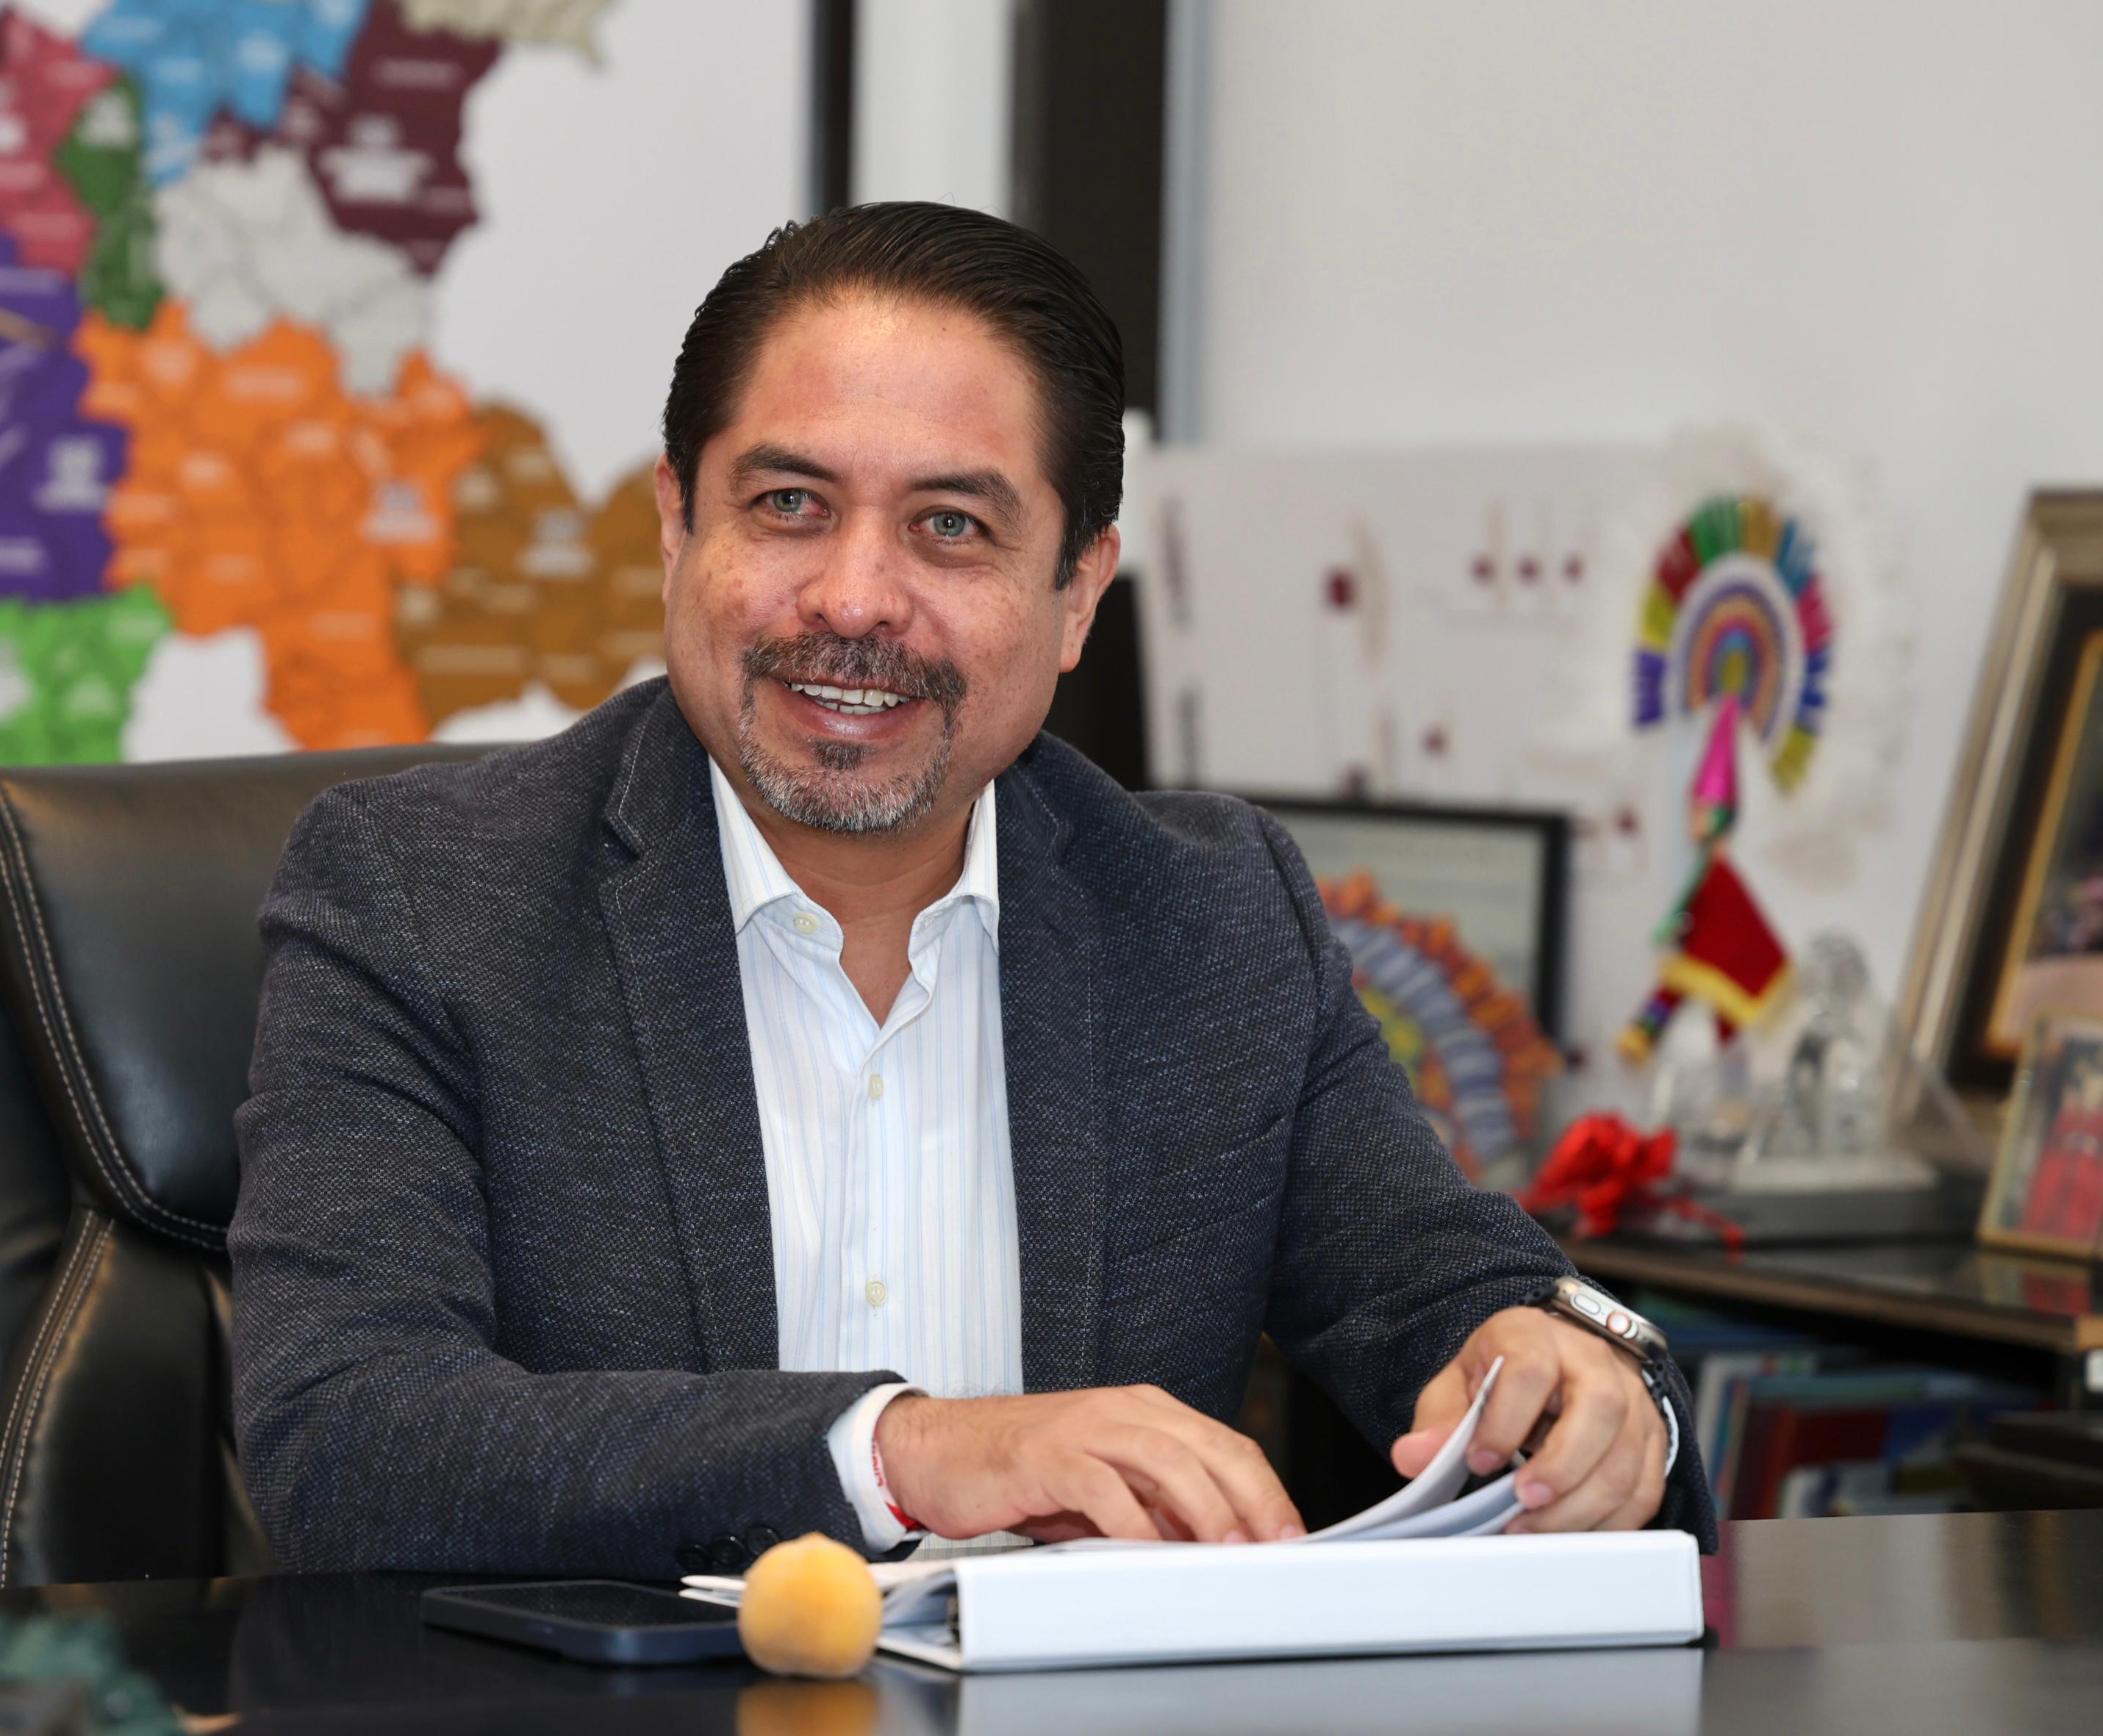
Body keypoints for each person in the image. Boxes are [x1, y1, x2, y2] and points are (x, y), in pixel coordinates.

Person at [231, 201, 1713, 1576]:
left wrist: (1576, 1383)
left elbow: (1448, 1290)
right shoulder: (422, 897)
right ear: (678, 530)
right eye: (790, 502)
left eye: (951, 524)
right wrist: (902, 1451)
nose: (855, 597)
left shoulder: (1208, 917)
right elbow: (346, 1435)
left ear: (1076, 593)